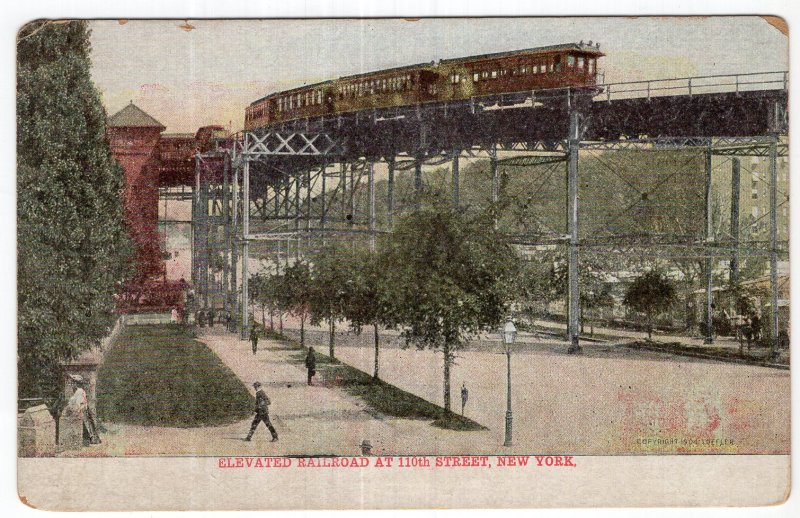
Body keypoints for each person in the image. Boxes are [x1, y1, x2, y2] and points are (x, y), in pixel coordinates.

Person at [67, 375, 101, 445]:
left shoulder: (79, 391)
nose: (71, 385)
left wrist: (76, 410)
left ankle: (89, 439)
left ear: (76, 383)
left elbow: (81, 404)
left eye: (73, 383)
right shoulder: (78, 391)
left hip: (81, 412)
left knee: (86, 426)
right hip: (80, 411)